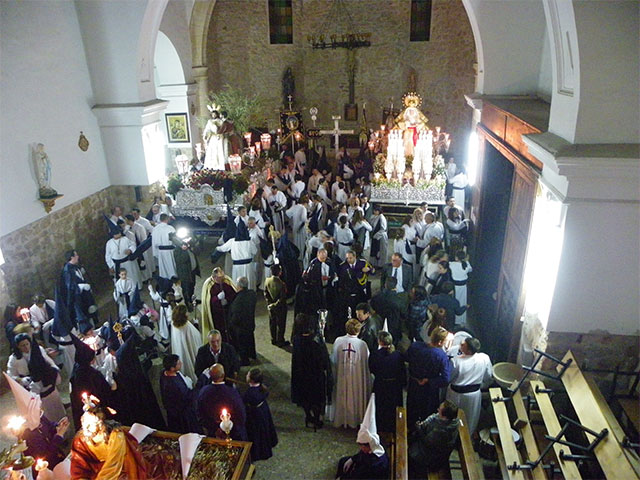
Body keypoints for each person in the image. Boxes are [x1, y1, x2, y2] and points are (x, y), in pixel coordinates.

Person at [70, 394, 148, 479]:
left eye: (91, 425)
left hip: (119, 471)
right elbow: (78, 468)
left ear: (100, 424)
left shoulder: (115, 436)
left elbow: (115, 465)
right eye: (85, 424)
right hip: (95, 473)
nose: (87, 428)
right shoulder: (80, 440)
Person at [7, 333, 66, 423]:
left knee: (55, 405)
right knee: (43, 411)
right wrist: (20, 380)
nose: (26, 347)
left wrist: (54, 368)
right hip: (31, 386)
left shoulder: (38, 350)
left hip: (45, 380)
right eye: (22, 346)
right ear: (18, 346)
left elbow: (48, 360)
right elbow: (11, 375)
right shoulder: (13, 359)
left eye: (27, 344)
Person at [335, 394, 389, 479]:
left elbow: (358, 476)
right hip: (363, 469)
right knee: (343, 461)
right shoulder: (374, 445)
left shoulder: (374, 463)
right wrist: (353, 459)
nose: (361, 448)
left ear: (368, 445)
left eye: (362, 446)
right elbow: (362, 454)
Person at [446, 337, 492, 434]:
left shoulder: (456, 361)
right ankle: (468, 436)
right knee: (470, 418)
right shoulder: (484, 358)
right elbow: (488, 376)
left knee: (453, 417)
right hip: (473, 395)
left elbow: (449, 378)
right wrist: (482, 385)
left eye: (463, 345)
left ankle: (453, 437)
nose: (460, 345)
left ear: (468, 350)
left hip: (456, 394)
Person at [406, 327, 452, 426]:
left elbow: (406, 358)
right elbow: (445, 379)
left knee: (412, 409)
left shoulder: (415, 346)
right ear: (440, 342)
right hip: (429, 390)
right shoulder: (441, 356)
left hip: (413, 384)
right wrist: (429, 380)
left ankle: (409, 431)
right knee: (427, 414)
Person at [331, 318, 371, 428]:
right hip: (357, 376)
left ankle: (342, 418)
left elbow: (333, 359)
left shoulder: (338, 341)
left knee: (342, 393)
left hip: (342, 374)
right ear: (358, 331)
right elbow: (367, 362)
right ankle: (355, 418)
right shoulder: (362, 344)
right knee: (356, 395)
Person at [69, 334, 113, 431]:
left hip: (79, 405)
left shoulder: (76, 368)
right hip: (94, 408)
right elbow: (104, 391)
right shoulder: (91, 374)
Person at [409, 400, 460, 478]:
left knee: (412, 455)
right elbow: (435, 417)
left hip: (432, 453)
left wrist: (419, 429)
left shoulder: (441, 431)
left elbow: (427, 442)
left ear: (444, 416)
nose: (438, 410)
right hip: (432, 443)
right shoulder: (451, 420)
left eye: (439, 409)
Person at [196, 363, 247, 440]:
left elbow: (200, 414)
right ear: (223, 375)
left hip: (213, 433)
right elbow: (241, 414)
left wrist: (215, 429)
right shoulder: (232, 393)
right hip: (233, 433)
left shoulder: (203, 392)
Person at [368, 331, 406, 433]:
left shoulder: (375, 354)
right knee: (393, 408)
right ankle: (393, 428)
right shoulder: (398, 355)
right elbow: (402, 371)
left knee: (381, 408)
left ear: (380, 342)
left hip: (381, 385)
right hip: (394, 386)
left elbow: (372, 369)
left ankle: (380, 428)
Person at [243, 368, 278, 460]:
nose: (246, 375)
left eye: (248, 374)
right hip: (263, 411)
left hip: (253, 415)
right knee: (264, 430)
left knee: (256, 433)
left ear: (251, 379)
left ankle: (258, 452)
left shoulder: (249, 393)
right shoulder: (262, 389)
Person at [159, 354, 200, 434]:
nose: (181, 363)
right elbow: (189, 396)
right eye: (178, 363)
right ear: (172, 368)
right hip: (182, 415)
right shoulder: (175, 385)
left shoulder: (164, 373)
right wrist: (202, 380)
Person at [215, 219, 258, 291]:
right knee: (249, 282)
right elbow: (255, 251)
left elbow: (223, 248)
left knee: (237, 283)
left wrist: (217, 248)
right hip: (248, 267)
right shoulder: (249, 241)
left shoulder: (232, 241)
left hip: (237, 267)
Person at [200, 267, 237, 343]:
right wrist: (217, 298)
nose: (222, 279)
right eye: (219, 278)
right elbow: (207, 302)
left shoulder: (226, 281)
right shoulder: (208, 285)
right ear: (214, 277)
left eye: (222, 276)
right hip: (217, 315)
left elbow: (233, 294)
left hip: (228, 312)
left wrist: (227, 300)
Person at [228, 276, 257, 365]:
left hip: (240, 327)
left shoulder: (237, 301)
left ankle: (245, 360)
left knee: (242, 345)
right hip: (250, 323)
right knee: (250, 340)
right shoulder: (252, 294)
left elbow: (235, 316)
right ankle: (252, 354)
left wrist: (231, 325)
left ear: (239, 286)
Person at [170, 304, 201, 382]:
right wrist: (196, 324)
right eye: (186, 312)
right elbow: (196, 337)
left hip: (180, 350)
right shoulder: (186, 326)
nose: (188, 313)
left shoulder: (173, 324)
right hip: (190, 351)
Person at [370, 277, 405, 346]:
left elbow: (372, 304)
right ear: (396, 286)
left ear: (385, 285)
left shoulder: (377, 296)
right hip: (394, 324)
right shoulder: (400, 300)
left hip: (379, 321)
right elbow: (403, 313)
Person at [264, 264, 289, 347]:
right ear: (280, 273)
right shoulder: (282, 284)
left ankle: (273, 339)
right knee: (281, 324)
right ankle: (280, 340)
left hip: (270, 307)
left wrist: (270, 304)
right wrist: (275, 304)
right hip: (280, 307)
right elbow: (282, 298)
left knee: (272, 323)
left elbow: (265, 293)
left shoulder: (267, 281)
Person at [152, 213, 178, 289]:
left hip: (161, 251)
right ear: (167, 219)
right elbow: (175, 240)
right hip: (170, 250)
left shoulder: (155, 229)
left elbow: (154, 242)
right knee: (171, 265)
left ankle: (165, 279)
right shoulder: (171, 228)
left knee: (163, 267)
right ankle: (174, 278)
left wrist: (155, 253)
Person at [173, 238, 200, 310]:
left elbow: (197, 252)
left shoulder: (189, 246)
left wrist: (193, 246)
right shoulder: (177, 250)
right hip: (185, 273)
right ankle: (188, 303)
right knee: (186, 289)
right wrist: (184, 250)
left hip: (192, 271)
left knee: (192, 286)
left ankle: (192, 300)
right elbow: (182, 260)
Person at [450, 250, 472, 326]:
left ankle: (454, 319)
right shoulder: (466, 265)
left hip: (454, 287)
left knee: (454, 302)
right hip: (463, 287)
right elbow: (470, 269)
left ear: (456, 257)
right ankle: (460, 320)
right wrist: (467, 261)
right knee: (462, 302)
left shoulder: (451, 264)